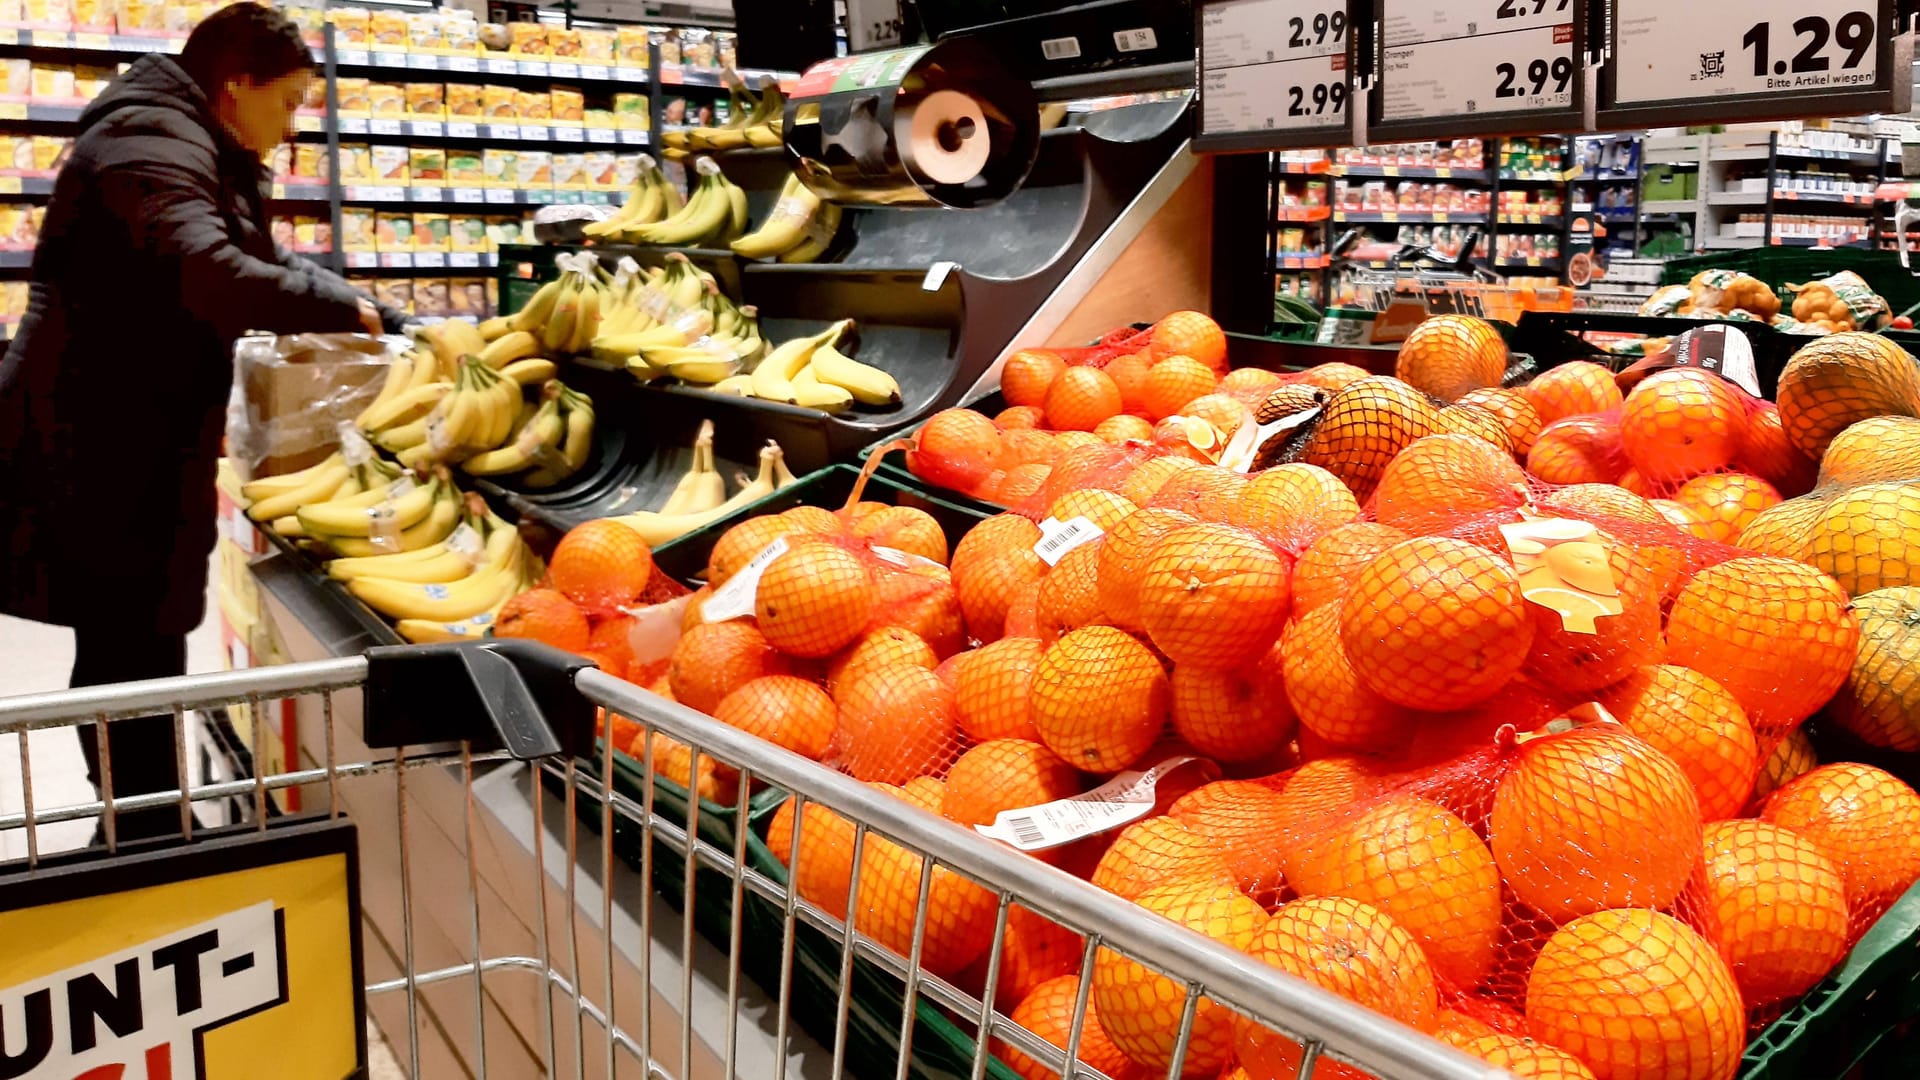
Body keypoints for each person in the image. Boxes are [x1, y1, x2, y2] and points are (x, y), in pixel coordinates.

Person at [0, 2, 403, 843]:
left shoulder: (185, 135)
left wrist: (361, 305)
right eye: (288, 103)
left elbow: (253, 253)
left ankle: (147, 817)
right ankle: (145, 831)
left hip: (123, 432)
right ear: (237, 86)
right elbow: (208, 269)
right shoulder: (148, 141)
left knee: (138, 641)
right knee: (127, 644)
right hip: (93, 444)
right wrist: (340, 306)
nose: (293, 126)